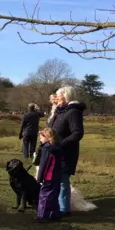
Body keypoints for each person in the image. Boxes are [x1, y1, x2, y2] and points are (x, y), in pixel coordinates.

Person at [48, 86, 85, 217]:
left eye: (59, 95)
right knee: (53, 180)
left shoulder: (73, 112)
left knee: (63, 181)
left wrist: (61, 144)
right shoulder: (59, 112)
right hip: (53, 151)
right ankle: (54, 204)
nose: (57, 98)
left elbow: (77, 133)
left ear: (66, 96)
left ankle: (64, 209)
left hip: (65, 153)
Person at [36, 127, 63, 222]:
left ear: (47, 137)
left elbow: (43, 164)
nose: (40, 138)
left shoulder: (47, 148)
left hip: (48, 176)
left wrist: (39, 178)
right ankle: (55, 214)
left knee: (44, 196)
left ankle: (43, 216)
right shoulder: (58, 147)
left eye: (41, 137)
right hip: (57, 175)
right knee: (54, 195)